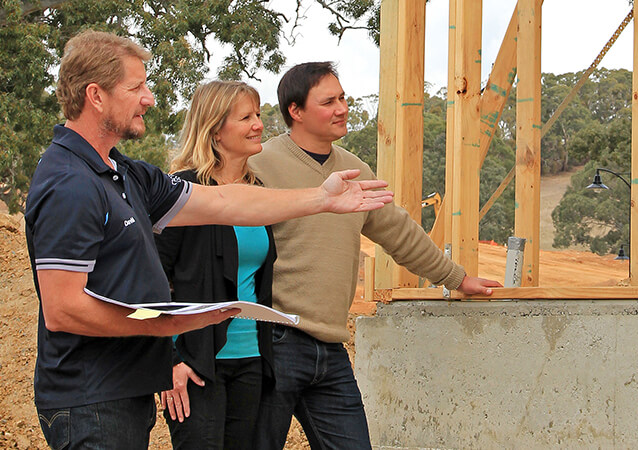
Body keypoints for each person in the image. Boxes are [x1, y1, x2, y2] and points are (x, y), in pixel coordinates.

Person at [25, 31, 392, 450]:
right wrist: (169, 328)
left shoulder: (125, 174)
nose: (149, 98)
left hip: (123, 393)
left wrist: (320, 199)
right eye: (136, 87)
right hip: (89, 399)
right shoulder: (70, 183)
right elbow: (63, 309)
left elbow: (221, 203)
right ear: (96, 95)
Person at [249, 61, 502, 449]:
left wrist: (456, 278)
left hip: (331, 346)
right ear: (295, 112)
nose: (342, 108)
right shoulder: (260, 165)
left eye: (343, 98)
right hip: (274, 342)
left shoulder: (354, 169)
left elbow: (398, 231)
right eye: (329, 101)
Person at [154, 80, 276, 449]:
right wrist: (172, 359)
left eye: (257, 114)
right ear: (215, 130)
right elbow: (152, 280)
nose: (258, 124)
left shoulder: (260, 192)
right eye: (246, 117)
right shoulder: (182, 192)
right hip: (196, 365)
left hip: (252, 360)